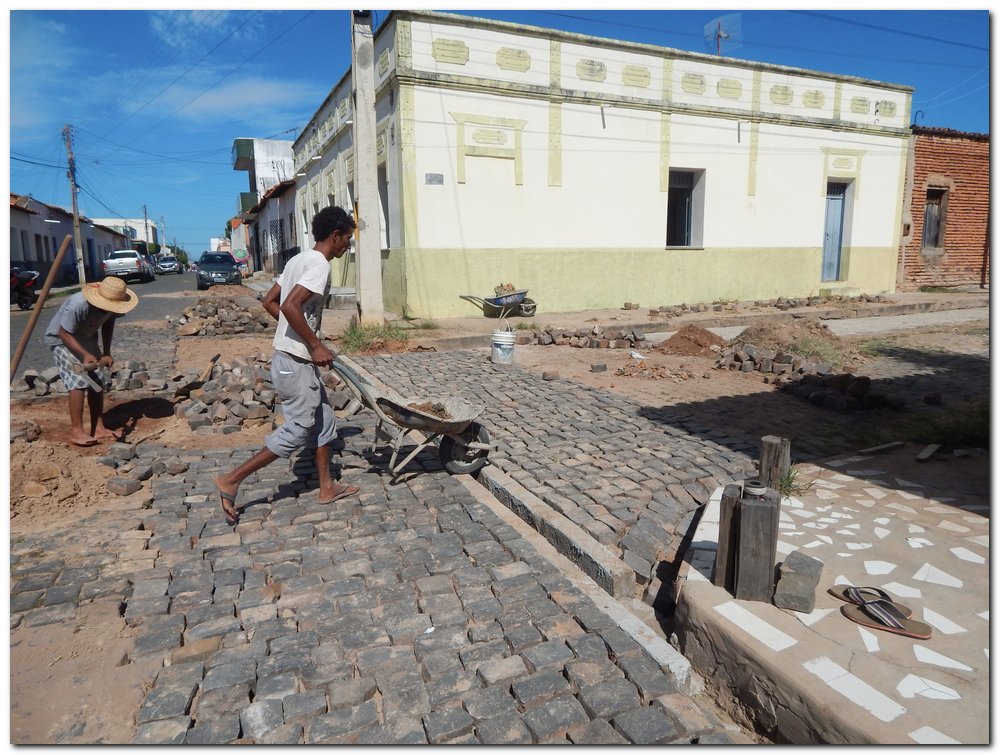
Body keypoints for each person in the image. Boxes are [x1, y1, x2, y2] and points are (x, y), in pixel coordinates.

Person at [215, 205, 359, 525]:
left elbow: (270, 301)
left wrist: (295, 333)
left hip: (291, 358)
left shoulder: (297, 260)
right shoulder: (319, 265)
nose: (348, 245)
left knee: (324, 421)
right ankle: (231, 480)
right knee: (298, 430)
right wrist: (313, 344)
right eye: (347, 239)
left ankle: (326, 487)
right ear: (335, 235)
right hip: (294, 363)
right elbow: (291, 305)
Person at [43, 276, 139, 447]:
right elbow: (63, 333)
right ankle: (77, 432)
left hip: (86, 338)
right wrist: (85, 355)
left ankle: (99, 428)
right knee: (77, 380)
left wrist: (106, 352)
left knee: (97, 380)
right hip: (62, 339)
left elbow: (108, 323)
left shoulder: (114, 304)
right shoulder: (78, 304)